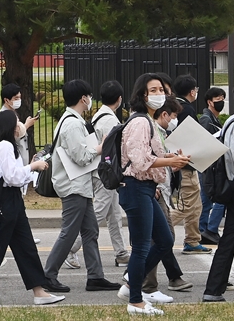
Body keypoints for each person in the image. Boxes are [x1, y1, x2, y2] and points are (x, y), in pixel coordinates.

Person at [0, 110, 64, 307]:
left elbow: (17, 177)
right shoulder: (5, 146)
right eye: (16, 122)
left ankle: (39, 291)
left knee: (26, 247)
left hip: (12, 201)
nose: (20, 125)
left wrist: (31, 167)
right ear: (8, 126)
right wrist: (32, 168)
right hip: (3, 202)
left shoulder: (9, 146)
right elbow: (11, 177)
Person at [116, 74, 191, 315]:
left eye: (162, 89)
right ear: (143, 95)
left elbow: (150, 158)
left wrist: (172, 161)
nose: (160, 93)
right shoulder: (140, 122)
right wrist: (168, 161)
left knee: (165, 240)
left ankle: (132, 282)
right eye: (154, 90)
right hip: (136, 188)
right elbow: (140, 161)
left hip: (147, 189)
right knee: (140, 246)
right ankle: (135, 300)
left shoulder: (148, 121)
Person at [41, 79, 120, 293]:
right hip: (73, 185)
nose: (90, 100)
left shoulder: (70, 120)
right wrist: (100, 148)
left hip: (79, 185)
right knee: (69, 232)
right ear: (83, 98)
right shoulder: (72, 124)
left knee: (90, 230)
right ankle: (48, 275)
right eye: (89, 96)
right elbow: (81, 157)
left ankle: (95, 276)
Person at [66, 80, 131, 269]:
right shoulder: (111, 120)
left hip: (100, 171)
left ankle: (121, 253)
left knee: (114, 213)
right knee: (99, 213)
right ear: (119, 100)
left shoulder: (98, 116)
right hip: (107, 174)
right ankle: (70, 248)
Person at [170, 74, 212, 255]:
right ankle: (155, 231)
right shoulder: (186, 110)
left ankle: (192, 240)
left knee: (196, 206)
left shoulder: (176, 107)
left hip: (186, 164)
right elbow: (192, 138)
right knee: (186, 206)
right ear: (192, 91)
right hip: (185, 165)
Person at [203, 97, 234, 302]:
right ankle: (213, 289)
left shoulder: (231, 122)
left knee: (230, 240)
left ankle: (214, 289)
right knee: (229, 241)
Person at [198, 87, 228, 245]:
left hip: (212, 165)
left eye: (223, 98)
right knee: (209, 200)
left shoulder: (214, 119)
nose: (221, 102)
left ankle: (204, 231)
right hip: (208, 167)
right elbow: (204, 142)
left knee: (207, 200)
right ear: (209, 102)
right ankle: (205, 230)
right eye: (217, 99)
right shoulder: (206, 119)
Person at [0, 83, 40, 165]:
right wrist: (27, 125)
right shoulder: (4, 116)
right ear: (6, 100)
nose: (19, 100)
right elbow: (12, 135)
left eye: (20, 97)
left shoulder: (12, 112)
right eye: (16, 98)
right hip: (14, 158)